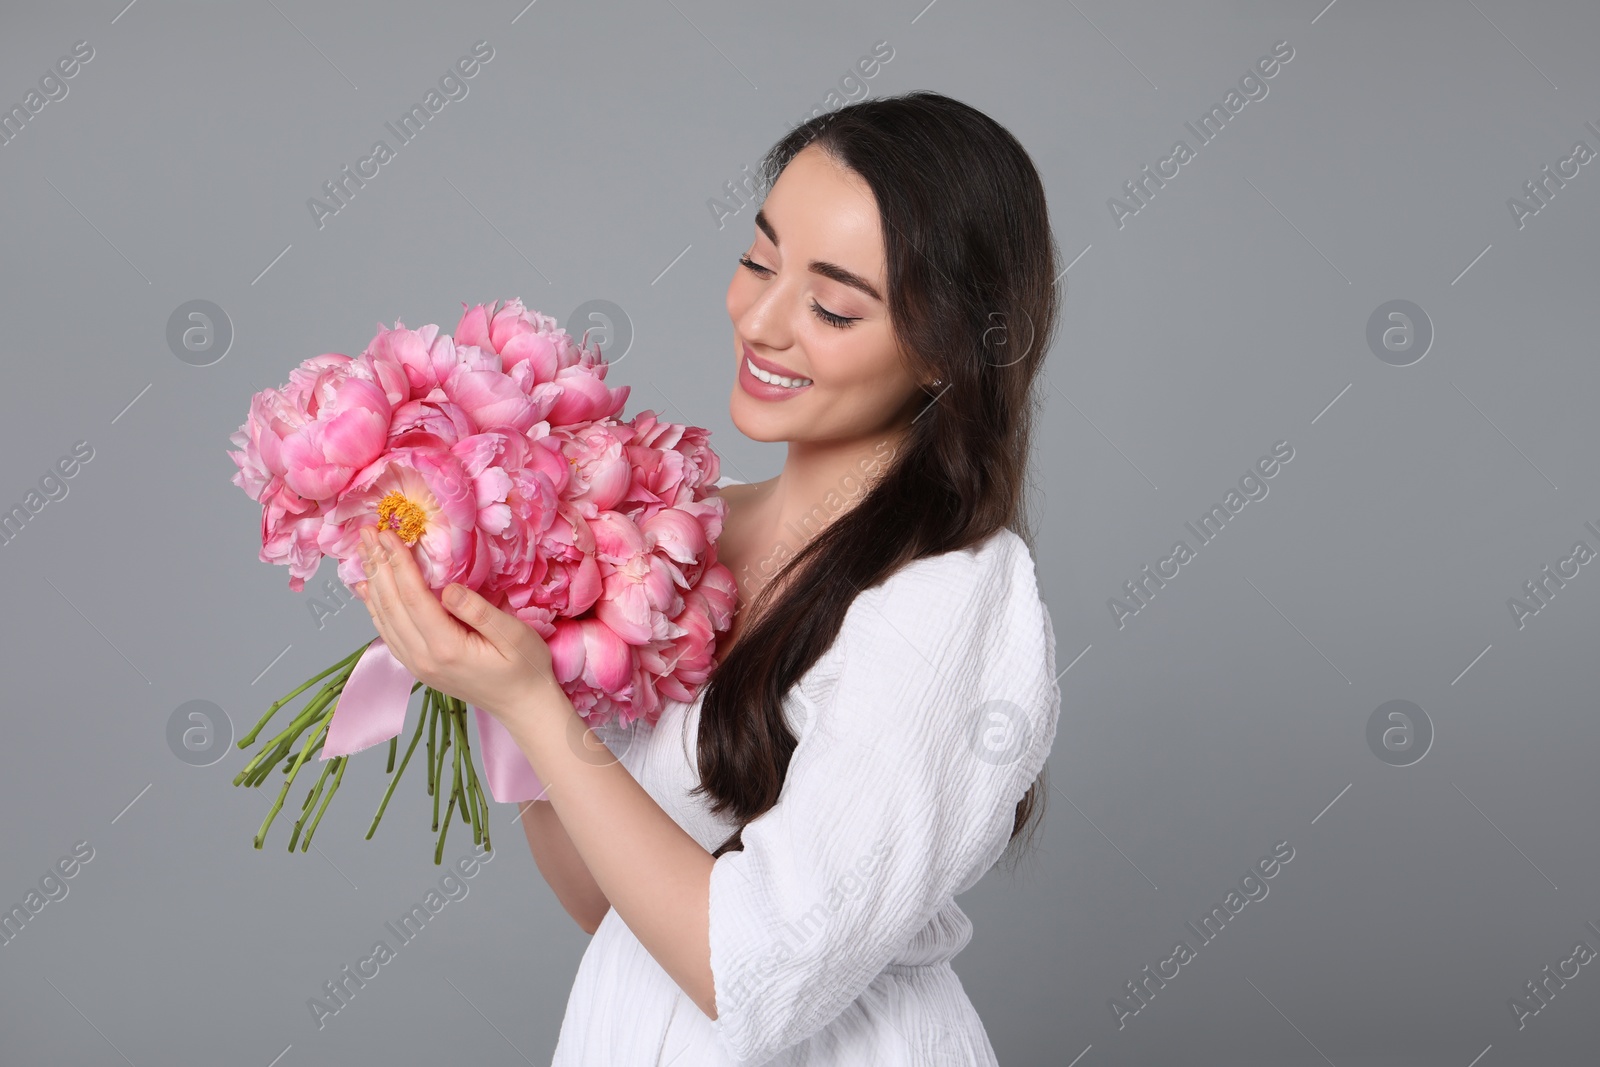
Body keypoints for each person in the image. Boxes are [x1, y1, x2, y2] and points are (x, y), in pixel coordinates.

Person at [353, 90, 1062, 1065]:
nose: (762, 321)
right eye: (758, 260)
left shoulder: (947, 594)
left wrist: (530, 697)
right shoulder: (681, 525)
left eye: (831, 304)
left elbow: (753, 974)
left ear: (946, 345)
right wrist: (502, 683)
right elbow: (609, 904)